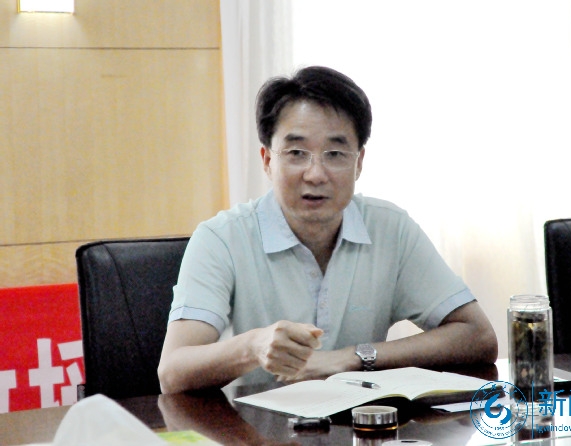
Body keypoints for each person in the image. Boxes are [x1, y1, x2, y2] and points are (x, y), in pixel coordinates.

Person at [158, 66, 498, 393]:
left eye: (335, 154)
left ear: (359, 162)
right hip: (252, 423)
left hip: (362, 422)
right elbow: (172, 373)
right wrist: (253, 346)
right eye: (296, 152)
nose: (316, 174)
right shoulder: (221, 238)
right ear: (267, 160)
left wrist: (352, 357)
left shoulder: (390, 228)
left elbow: (478, 337)